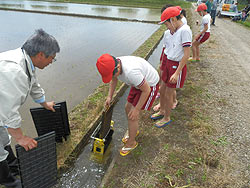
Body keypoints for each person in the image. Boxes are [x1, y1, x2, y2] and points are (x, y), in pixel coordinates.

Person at [0, 29, 60, 188]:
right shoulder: (14, 70)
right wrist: (20, 138)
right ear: (41, 54)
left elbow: (33, 84)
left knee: (4, 138)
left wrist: (44, 103)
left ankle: (12, 167)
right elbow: (6, 111)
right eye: (51, 59)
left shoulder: (27, 62)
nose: (50, 63)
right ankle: (8, 181)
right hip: (2, 108)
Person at [96, 54, 159, 156]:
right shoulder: (115, 64)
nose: (111, 77)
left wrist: (137, 109)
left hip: (149, 85)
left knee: (132, 115)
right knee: (127, 108)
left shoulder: (131, 72)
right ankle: (133, 131)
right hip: (137, 84)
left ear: (117, 67)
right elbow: (114, 79)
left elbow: (146, 90)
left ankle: (131, 143)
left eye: (111, 74)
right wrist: (109, 97)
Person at [151, 7, 192, 128]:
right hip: (168, 62)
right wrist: (162, 65)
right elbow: (166, 50)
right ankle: (162, 110)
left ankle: (166, 117)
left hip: (176, 65)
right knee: (162, 89)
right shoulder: (168, 33)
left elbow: (186, 54)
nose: (166, 26)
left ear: (173, 19)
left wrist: (177, 72)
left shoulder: (185, 30)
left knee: (169, 93)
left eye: (167, 23)